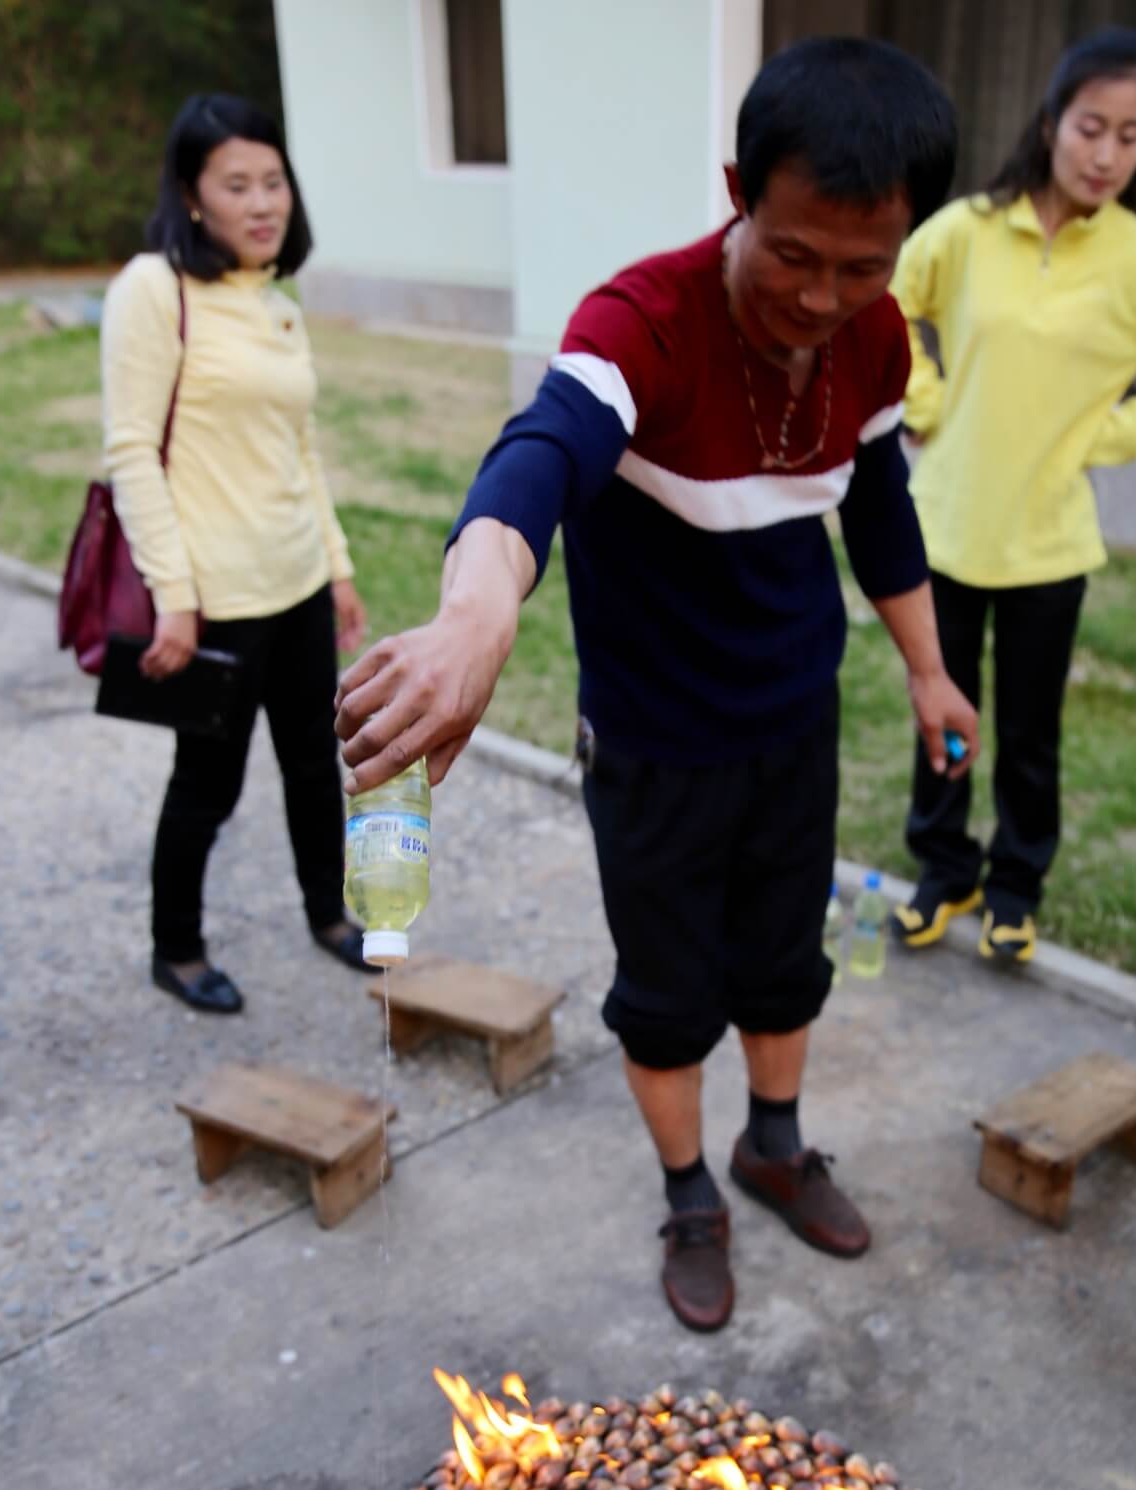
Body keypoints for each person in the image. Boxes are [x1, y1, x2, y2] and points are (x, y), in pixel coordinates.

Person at [335, 38, 975, 1332]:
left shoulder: (874, 343)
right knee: (670, 990)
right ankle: (692, 1193)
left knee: (786, 963)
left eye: (863, 267)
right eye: (793, 253)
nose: (819, 296)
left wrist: (928, 671)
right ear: (740, 189)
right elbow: (539, 458)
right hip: (655, 741)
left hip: (792, 718)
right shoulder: (640, 322)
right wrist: (474, 615)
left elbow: (881, 504)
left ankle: (774, 1146)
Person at [889, 27, 1136, 965]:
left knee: (1030, 732)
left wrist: (1107, 435)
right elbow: (884, 299)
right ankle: (945, 866)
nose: (1106, 153)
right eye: (1092, 126)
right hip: (948, 528)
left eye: (1130, 136)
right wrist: (922, 402)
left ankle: (1014, 883)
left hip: (1050, 547)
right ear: (1051, 121)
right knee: (947, 720)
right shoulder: (967, 230)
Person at [101, 92, 371, 1014]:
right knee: (206, 786)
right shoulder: (152, 290)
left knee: (310, 764)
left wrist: (334, 565)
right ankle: (175, 949)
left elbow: (299, 449)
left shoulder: (274, 304)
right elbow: (132, 447)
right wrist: (173, 595)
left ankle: (330, 915)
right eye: (237, 185)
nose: (263, 203)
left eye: (274, 181)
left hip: (295, 582)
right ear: (191, 195)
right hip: (213, 599)